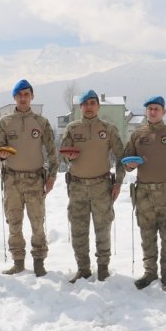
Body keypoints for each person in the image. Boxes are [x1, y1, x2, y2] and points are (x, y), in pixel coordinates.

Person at [124, 96, 166, 293]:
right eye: (150, 109)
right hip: (144, 193)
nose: (153, 112)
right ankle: (150, 272)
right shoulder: (137, 135)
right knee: (147, 235)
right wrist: (129, 165)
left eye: (156, 109)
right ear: (146, 111)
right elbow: (126, 163)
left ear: (163, 112)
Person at [60, 90, 126, 283]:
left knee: (103, 228)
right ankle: (83, 269)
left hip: (101, 187)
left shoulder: (109, 129)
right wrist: (67, 157)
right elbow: (64, 153)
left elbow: (122, 158)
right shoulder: (72, 128)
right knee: (78, 229)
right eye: (85, 104)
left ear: (98, 106)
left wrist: (119, 182)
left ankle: (104, 269)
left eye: (92, 103)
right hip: (77, 187)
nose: (89, 107)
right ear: (80, 107)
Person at [0, 79, 59, 277]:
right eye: (19, 94)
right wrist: (1, 154)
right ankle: (18, 261)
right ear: (14, 97)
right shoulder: (5, 122)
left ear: (32, 96)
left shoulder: (41, 122)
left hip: (35, 178)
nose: (23, 98)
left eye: (26, 94)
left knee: (37, 222)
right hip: (12, 179)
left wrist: (51, 178)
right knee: (14, 221)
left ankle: (39, 262)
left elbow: (51, 152)